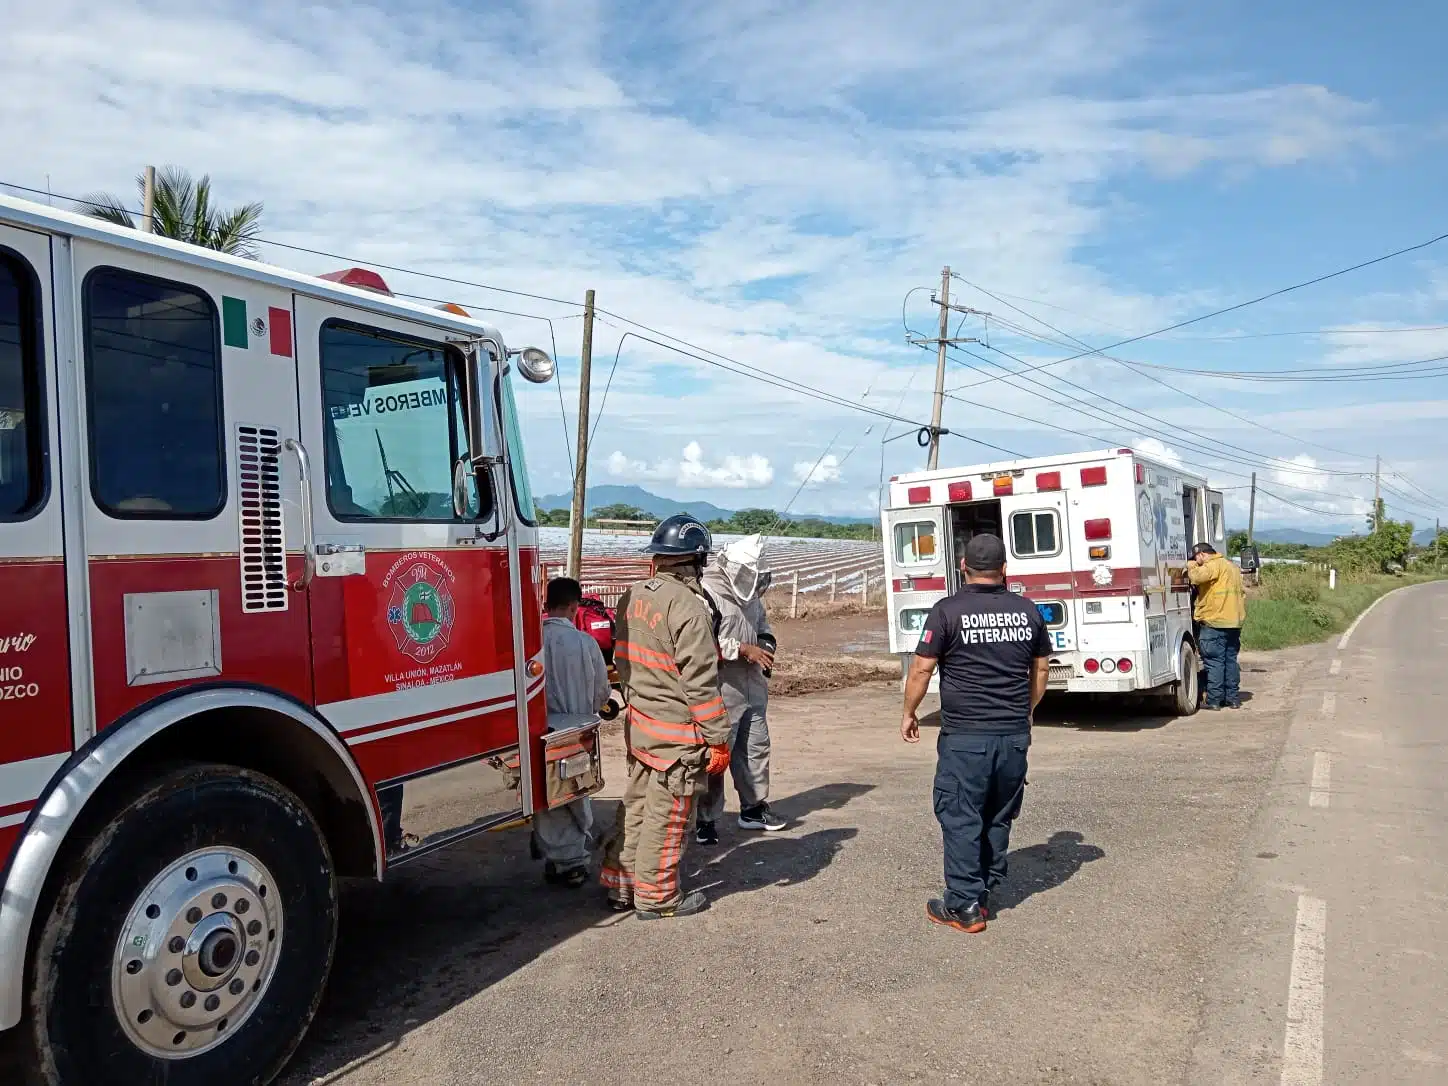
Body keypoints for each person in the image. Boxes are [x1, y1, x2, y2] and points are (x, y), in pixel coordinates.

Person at [900, 533, 1051, 934]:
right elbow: (1040, 672)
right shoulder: (1028, 611)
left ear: (963, 566)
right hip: (1013, 734)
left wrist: (909, 712)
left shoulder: (947, 611)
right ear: (1005, 570)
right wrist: (1026, 712)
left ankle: (965, 905)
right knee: (998, 813)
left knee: (962, 815)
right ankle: (984, 889)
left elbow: (921, 669)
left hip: (966, 736)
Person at [599, 514, 731, 919]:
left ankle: (621, 886)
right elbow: (701, 684)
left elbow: (624, 659)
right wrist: (718, 738)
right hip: (676, 737)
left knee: (636, 806)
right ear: (696, 561)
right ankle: (657, 899)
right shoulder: (689, 608)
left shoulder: (633, 595)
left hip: (641, 726)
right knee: (669, 816)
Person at [696, 533, 786, 844]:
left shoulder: (752, 596)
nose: (752, 580)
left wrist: (764, 645)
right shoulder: (707, 594)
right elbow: (701, 643)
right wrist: (743, 650)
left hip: (753, 686)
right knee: (717, 755)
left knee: (755, 749)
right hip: (722, 687)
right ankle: (705, 819)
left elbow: (764, 627)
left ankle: (753, 809)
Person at [534, 576, 613, 887]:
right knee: (576, 790)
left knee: (547, 792)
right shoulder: (585, 642)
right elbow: (601, 691)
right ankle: (572, 861)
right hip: (578, 729)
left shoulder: (532, 639)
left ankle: (559, 856)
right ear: (572, 607)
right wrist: (593, 708)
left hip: (542, 729)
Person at [1187, 541, 1247, 710]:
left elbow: (1196, 577)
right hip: (1234, 622)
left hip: (1215, 622)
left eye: (1197, 558)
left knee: (1214, 662)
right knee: (1230, 662)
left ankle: (1214, 700)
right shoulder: (1232, 567)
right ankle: (1233, 699)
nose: (1197, 561)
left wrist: (1190, 566)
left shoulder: (1213, 565)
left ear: (1202, 555)